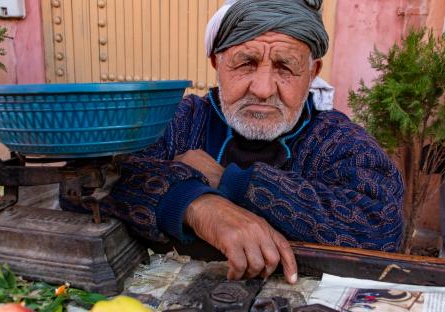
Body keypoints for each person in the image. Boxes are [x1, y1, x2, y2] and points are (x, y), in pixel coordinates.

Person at [61, 0, 404, 284]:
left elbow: (382, 231)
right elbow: (82, 185)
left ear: (312, 73)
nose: (263, 88)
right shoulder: (180, 122)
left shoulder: (339, 142)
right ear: (216, 63)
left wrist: (229, 180)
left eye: (285, 67)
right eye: (246, 62)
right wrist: (197, 204)